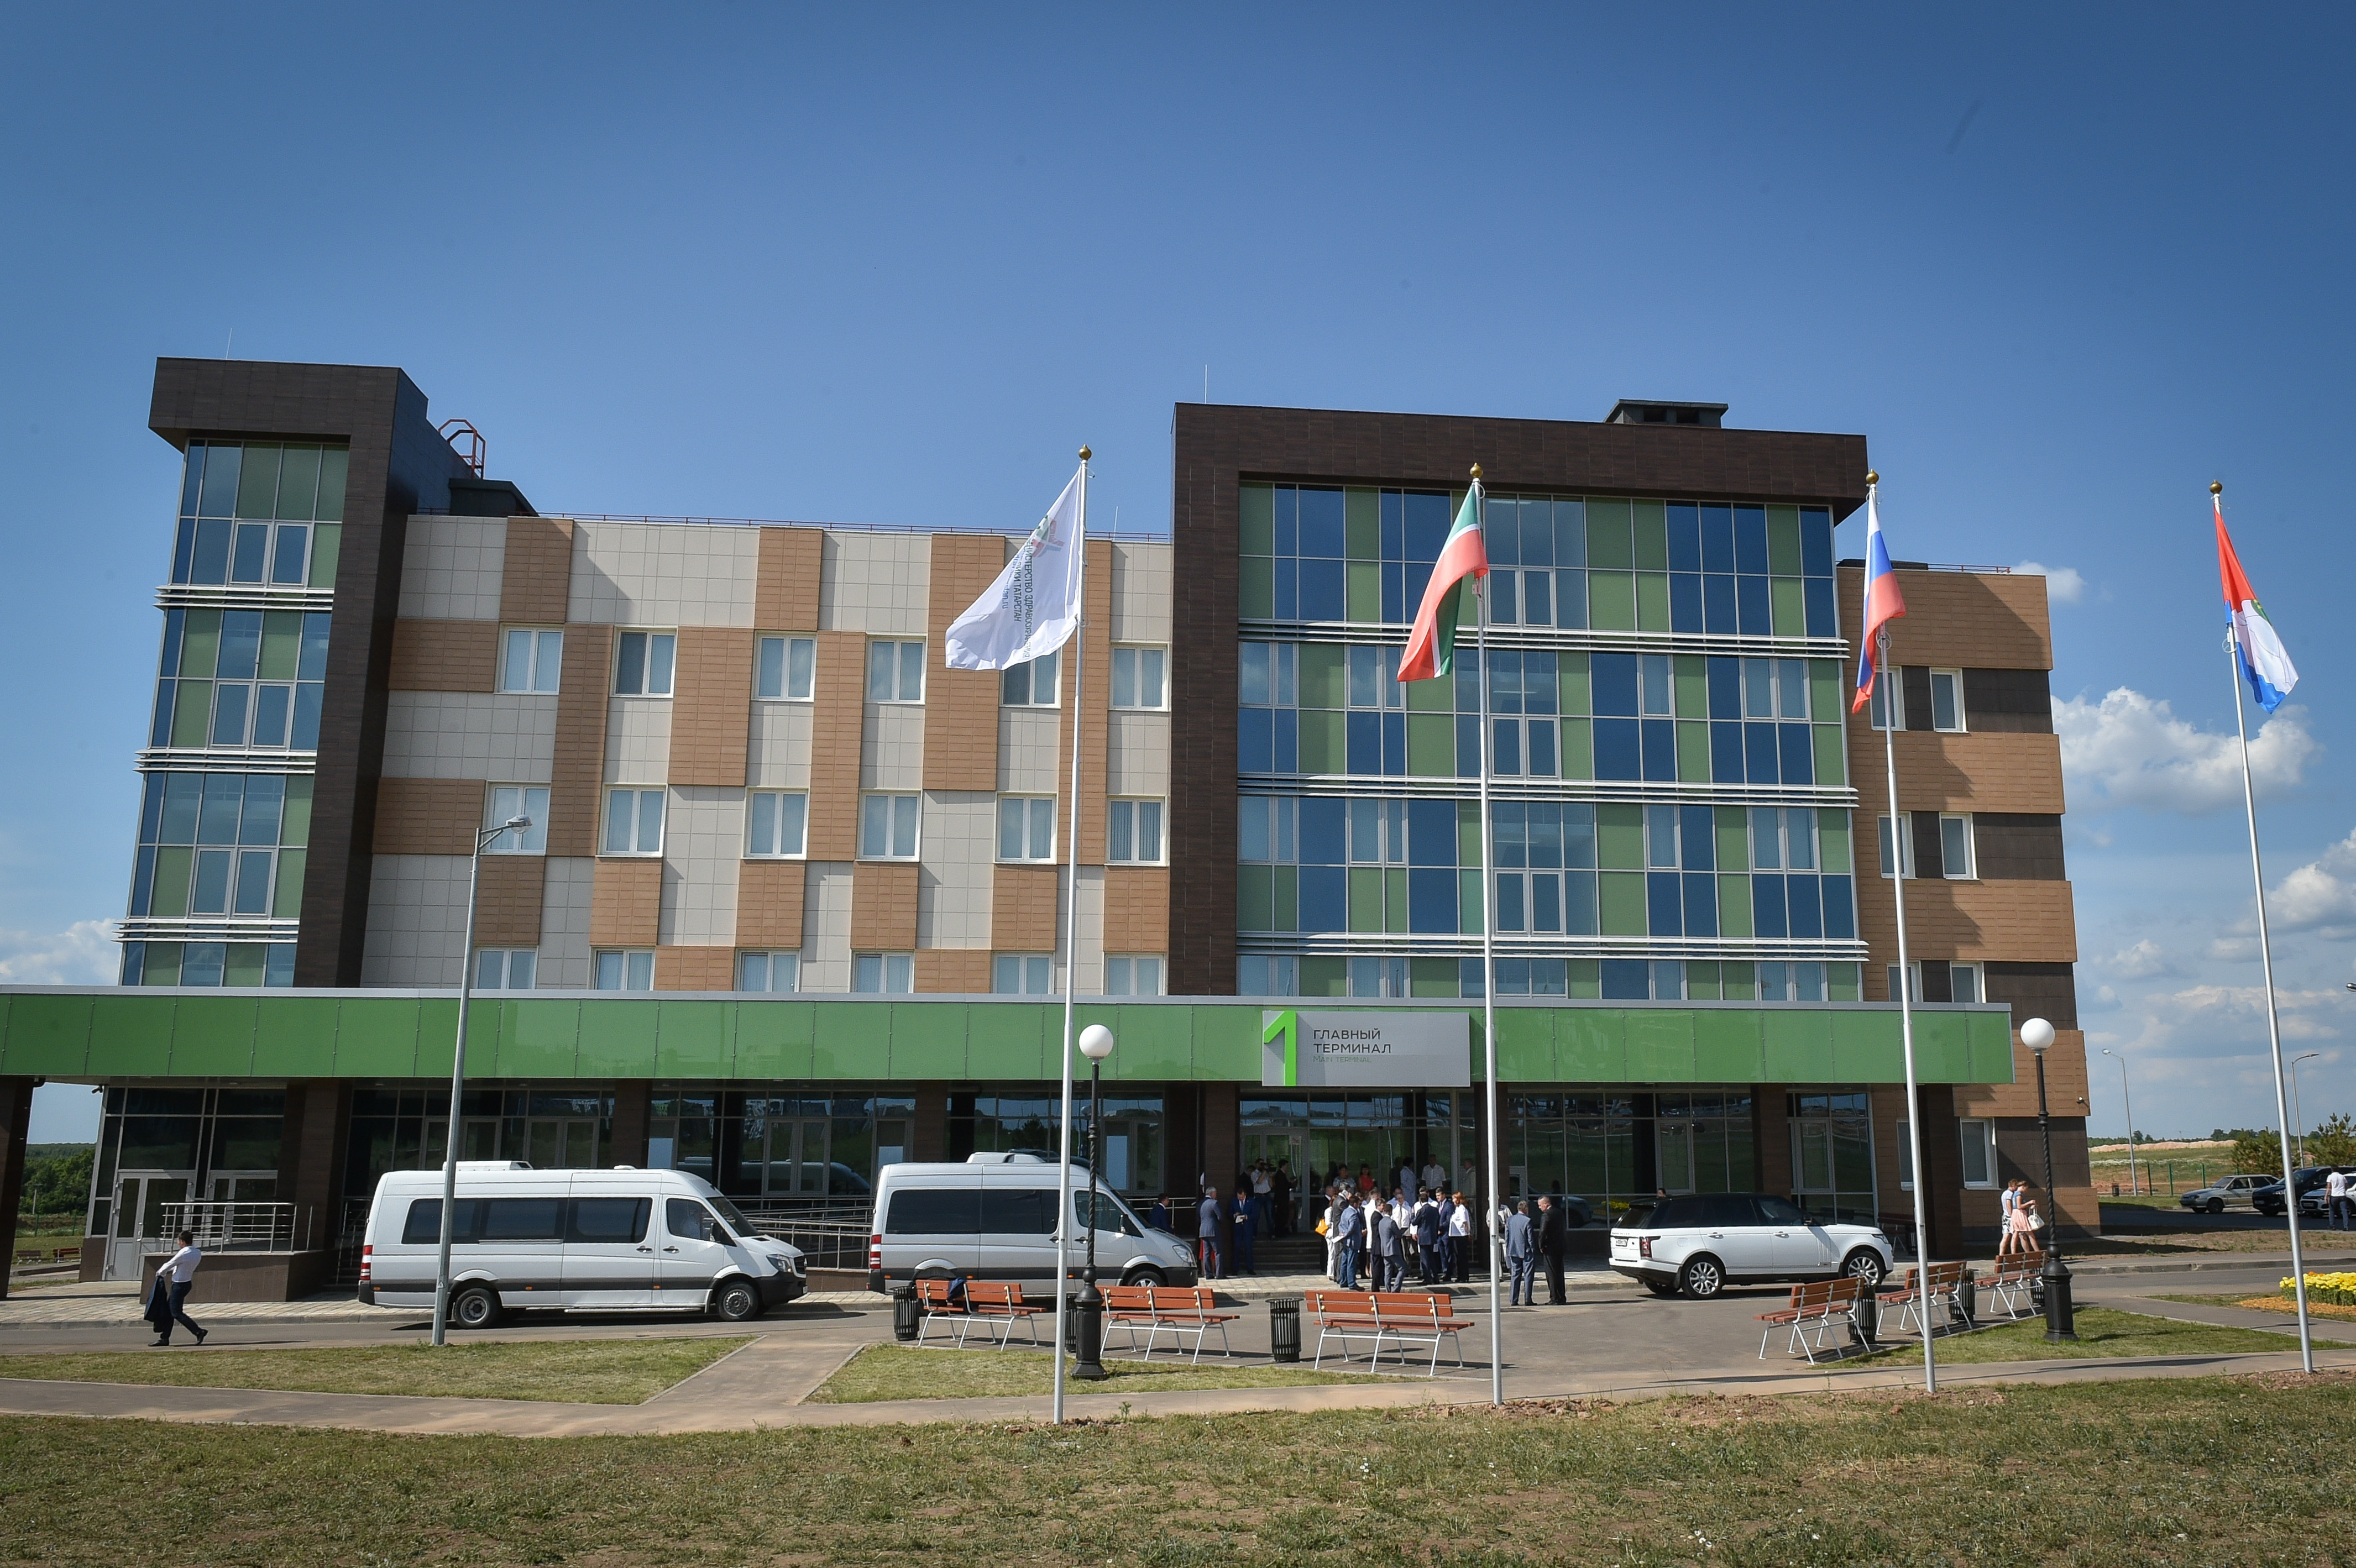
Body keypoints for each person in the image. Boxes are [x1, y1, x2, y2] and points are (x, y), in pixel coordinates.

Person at [151, 1229, 207, 1347]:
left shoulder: (184, 1252)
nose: (177, 1243)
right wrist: (166, 1271)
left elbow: (171, 1263)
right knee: (169, 1313)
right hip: (186, 1284)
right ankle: (164, 1338)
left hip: (179, 1285)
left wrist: (160, 1272)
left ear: (182, 1241)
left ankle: (198, 1331)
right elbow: (179, 1265)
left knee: (176, 1313)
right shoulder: (196, 1252)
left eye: (178, 1241)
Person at [1537, 1194, 1568, 1305]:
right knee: (1559, 1272)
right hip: (1560, 1247)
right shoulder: (1559, 1213)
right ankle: (1562, 1296)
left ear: (1546, 1204)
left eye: (1540, 1205)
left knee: (1551, 1273)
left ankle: (1555, 1298)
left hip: (1550, 1248)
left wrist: (1541, 1245)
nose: (1539, 1208)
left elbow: (1543, 1232)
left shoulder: (1547, 1215)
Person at [1505, 1199, 1537, 1306]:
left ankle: (1514, 1300)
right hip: (1526, 1251)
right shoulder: (1528, 1221)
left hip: (1514, 1250)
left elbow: (1507, 1236)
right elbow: (1530, 1238)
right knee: (1528, 1276)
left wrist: (1509, 1248)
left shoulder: (1510, 1220)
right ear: (1526, 1209)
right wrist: (1533, 1249)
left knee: (1515, 1276)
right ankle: (1528, 1299)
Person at [1334, 1189, 1365, 1289]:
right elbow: (1351, 1228)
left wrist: (1342, 1234)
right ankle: (1352, 1283)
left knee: (1345, 1261)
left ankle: (1343, 1281)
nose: (1359, 1205)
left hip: (1345, 1242)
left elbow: (1340, 1225)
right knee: (1351, 1262)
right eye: (1358, 1204)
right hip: (1352, 1242)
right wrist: (1346, 1234)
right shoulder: (1353, 1214)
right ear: (1355, 1204)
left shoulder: (1345, 1211)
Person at [1414, 1189, 1444, 1284]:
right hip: (1432, 1236)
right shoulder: (1435, 1210)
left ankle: (1427, 1279)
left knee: (1425, 1259)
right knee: (1432, 1258)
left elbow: (1414, 1222)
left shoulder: (1422, 1210)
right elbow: (1438, 1222)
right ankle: (1436, 1277)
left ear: (1421, 1201)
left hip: (1423, 1237)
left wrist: (1412, 1215)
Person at [1373, 1202, 1403, 1291]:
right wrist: (1397, 1235)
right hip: (1393, 1249)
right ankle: (1396, 1289)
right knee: (1402, 1269)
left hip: (1384, 1250)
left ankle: (1388, 1290)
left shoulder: (1381, 1222)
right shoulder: (1391, 1222)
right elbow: (1399, 1234)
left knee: (1388, 1271)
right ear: (1391, 1212)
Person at [1196, 1186, 1223, 1281]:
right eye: (1215, 1194)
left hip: (1203, 1230)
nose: (1216, 1195)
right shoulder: (1214, 1203)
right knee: (1218, 1252)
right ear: (1212, 1193)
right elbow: (1220, 1217)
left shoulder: (1200, 1204)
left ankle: (1208, 1274)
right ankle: (1219, 1274)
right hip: (1213, 1230)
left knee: (1206, 1253)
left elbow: (1198, 1218)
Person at [1230, 1184, 1258, 1275]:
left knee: (1248, 1249)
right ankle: (1235, 1269)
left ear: (1245, 1194)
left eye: (1242, 1197)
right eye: (1239, 1197)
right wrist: (1235, 1215)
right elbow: (1229, 1213)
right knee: (1236, 1249)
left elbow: (1255, 1214)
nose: (1241, 1199)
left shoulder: (1251, 1201)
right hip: (1237, 1229)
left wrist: (1247, 1217)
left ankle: (1250, 1269)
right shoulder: (1234, 1202)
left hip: (1247, 1228)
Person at [1447, 1189, 1473, 1282]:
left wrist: (1468, 1233)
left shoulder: (1462, 1208)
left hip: (1461, 1236)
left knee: (1462, 1257)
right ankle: (1460, 1275)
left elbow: (1465, 1222)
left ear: (1458, 1199)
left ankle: (1463, 1276)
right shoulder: (1457, 1209)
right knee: (1458, 1257)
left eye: (1454, 1199)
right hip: (1456, 1235)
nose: (1453, 1201)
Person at [1272, 1159, 1295, 1238]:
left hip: (1283, 1199)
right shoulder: (1280, 1175)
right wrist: (1291, 1184)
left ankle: (1281, 1231)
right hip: (1281, 1199)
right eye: (1287, 1166)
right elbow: (1283, 1186)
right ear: (1283, 1166)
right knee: (1281, 1216)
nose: (1288, 1167)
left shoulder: (1281, 1174)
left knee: (1283, 1215)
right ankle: (1280, 1232)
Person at [2326, 1167, 2352, 1232]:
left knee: (2332, 1210)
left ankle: (2332, 1226)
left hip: (2334, 1195)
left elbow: (2329, 1187)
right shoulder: (2342, 1177)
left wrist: (2326, 1196)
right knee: (2344, 1211)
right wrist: (2344, 1190)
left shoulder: (2330, 1177)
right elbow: (2347, 1186)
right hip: (2342, 1195)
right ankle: (2346, 1226)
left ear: (2332, 1170)